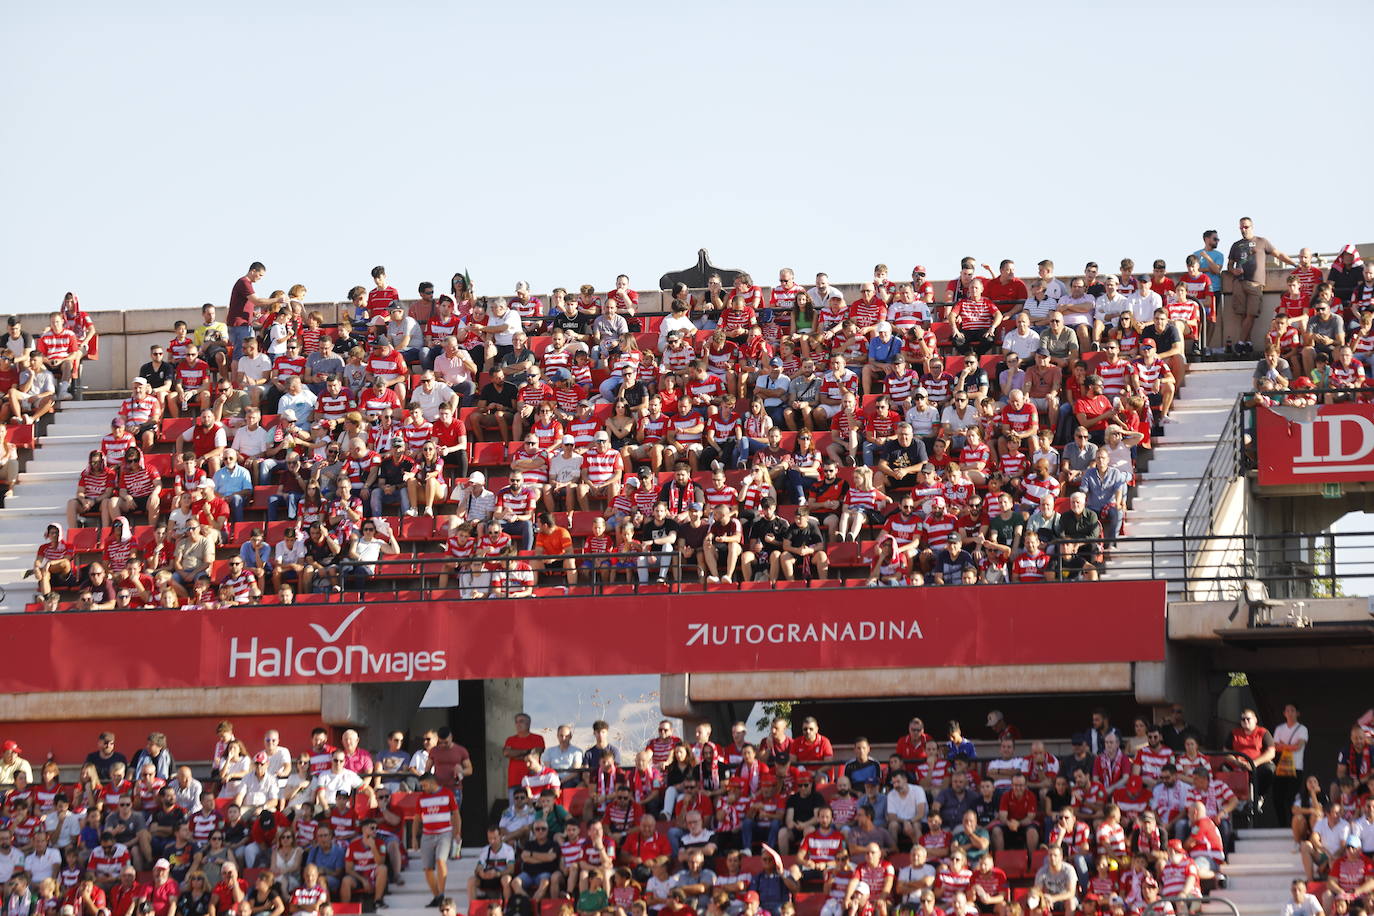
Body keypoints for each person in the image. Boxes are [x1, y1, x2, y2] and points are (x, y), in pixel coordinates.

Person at [1228, 217, 1296, 351]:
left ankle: (1241, 342)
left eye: (1246, 227)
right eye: (1241, 227)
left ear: (1252, 227)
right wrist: (1233, 270)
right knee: (1242, 314)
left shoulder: (1262, 242)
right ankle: (1248, 343)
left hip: (1255, 283)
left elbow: (1278, 254)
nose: (1243, 230)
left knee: (1251, 313)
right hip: (1239, 282)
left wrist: (1294, 264)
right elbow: (1229, 265)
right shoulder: (1236, 245)